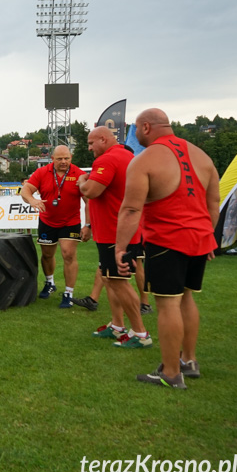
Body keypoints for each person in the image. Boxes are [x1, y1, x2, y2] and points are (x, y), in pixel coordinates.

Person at [116, 109, 219, 389]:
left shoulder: (145, 160)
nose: (135, 134)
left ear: (146, 127)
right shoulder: (202, 156)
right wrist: (208, 235)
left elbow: (131, 209)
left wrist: (120, 248)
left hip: (167, 241)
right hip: (199, 240)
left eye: (136, 129)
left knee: (167, 304)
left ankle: (172, 373)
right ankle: (189, 360)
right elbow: (213, 204)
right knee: (187, 298)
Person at [78, 126, 150, 348]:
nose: (90, 149)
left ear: (103, 138)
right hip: (120, 229)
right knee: (110, 279)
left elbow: (91, 191)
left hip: (114, 232)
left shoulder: (108, 159)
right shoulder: (128, 156)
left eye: (91, 143)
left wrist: (81, 181)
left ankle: (140, 333)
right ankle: (118, 326)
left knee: (119, 282)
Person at [20, 145, 90, 308]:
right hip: (47, 221)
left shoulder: (79, 174)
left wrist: (88, 225)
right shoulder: (42, 172)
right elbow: (26, 190)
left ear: (71, 158)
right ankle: (50, 282)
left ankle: (68, 293)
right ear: (52, 159)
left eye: (67, 158)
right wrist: (32, 200)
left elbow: (89, 201)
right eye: (60, 159)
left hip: (70, 222)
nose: (64, 162)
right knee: (46, 255)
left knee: (69, 254)